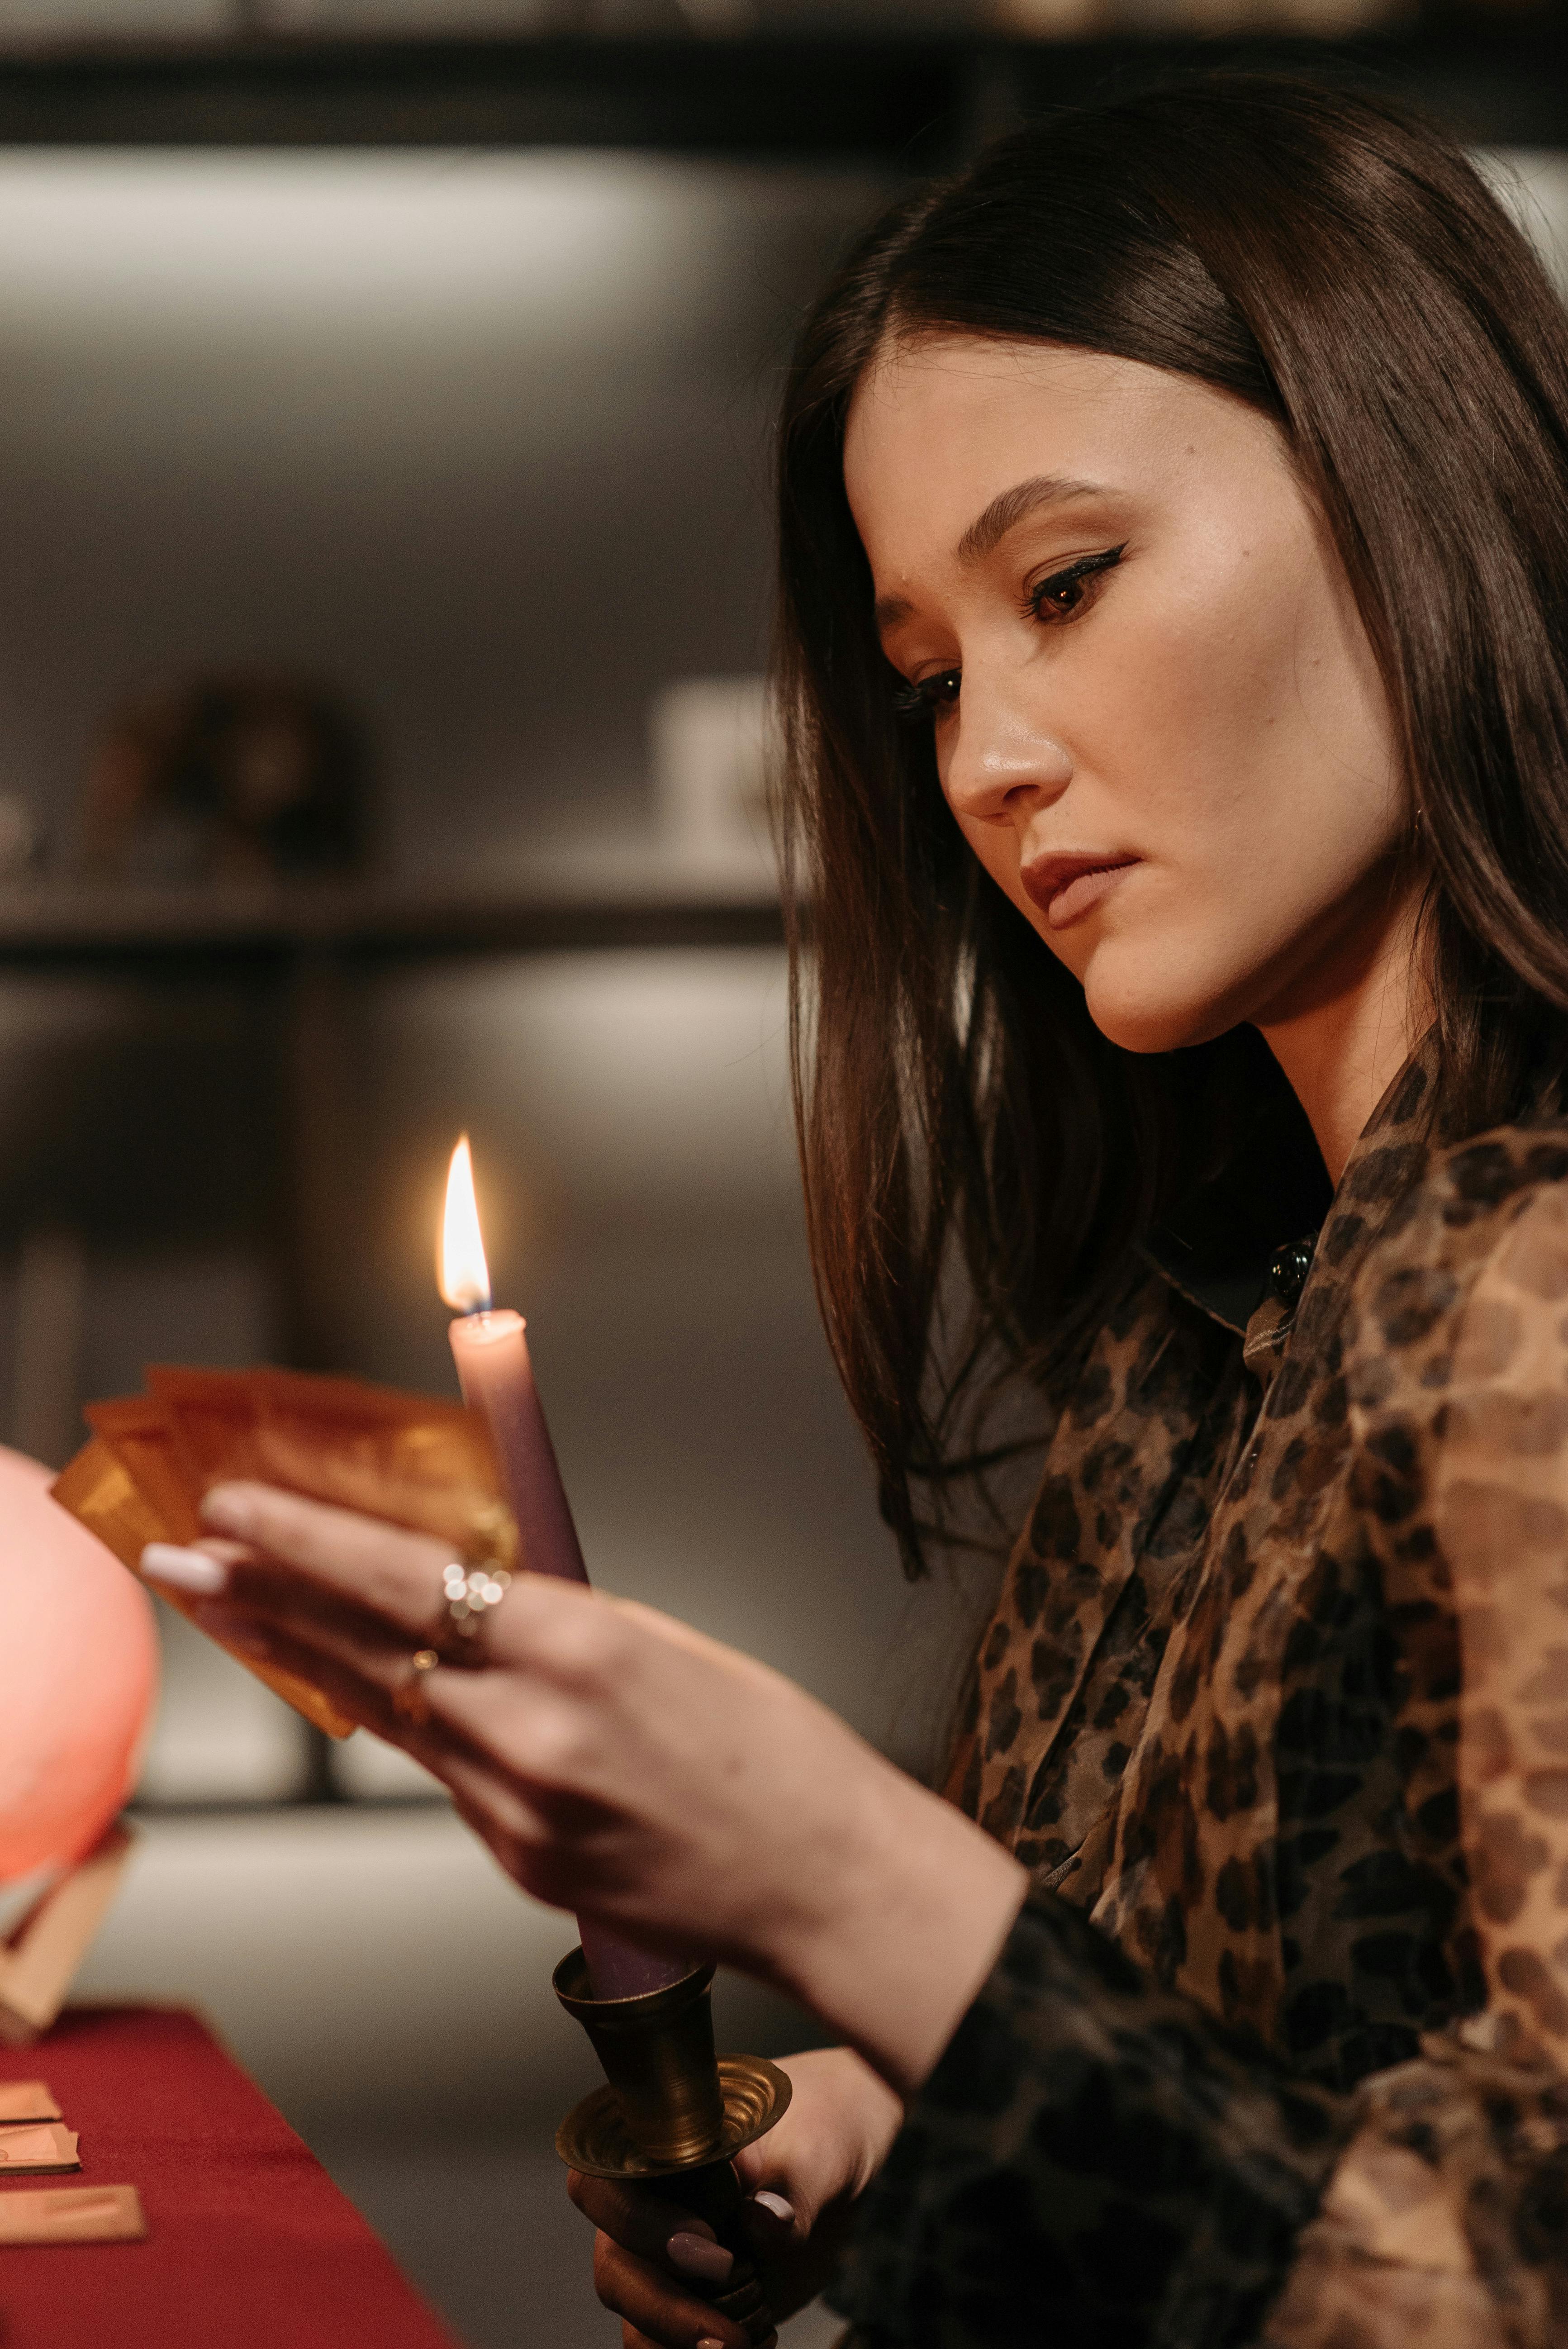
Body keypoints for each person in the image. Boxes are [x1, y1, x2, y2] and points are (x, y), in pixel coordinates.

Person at [140, 74, 1568, 2349]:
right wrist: (897, 2113)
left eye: (1071, 583)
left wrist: (847, 1870)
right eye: (925, 677)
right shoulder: (1224, 1307)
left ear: (1415, 481)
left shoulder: (1535, 1282)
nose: (988, 756)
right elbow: (1267, 2109)